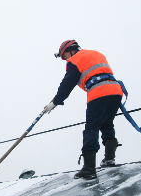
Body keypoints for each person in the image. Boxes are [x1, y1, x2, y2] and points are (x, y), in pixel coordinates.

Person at [44, 40, 123, 180]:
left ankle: (89, 169)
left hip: (98, 92)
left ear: (71, 50)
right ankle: (109, 159)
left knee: (91, 128)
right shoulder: (95, 53)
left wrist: (55, 102)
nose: (66, 60)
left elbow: (67, 84)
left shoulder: (75, 59)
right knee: (107, 124)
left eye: (65, 56)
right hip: (116, 91)